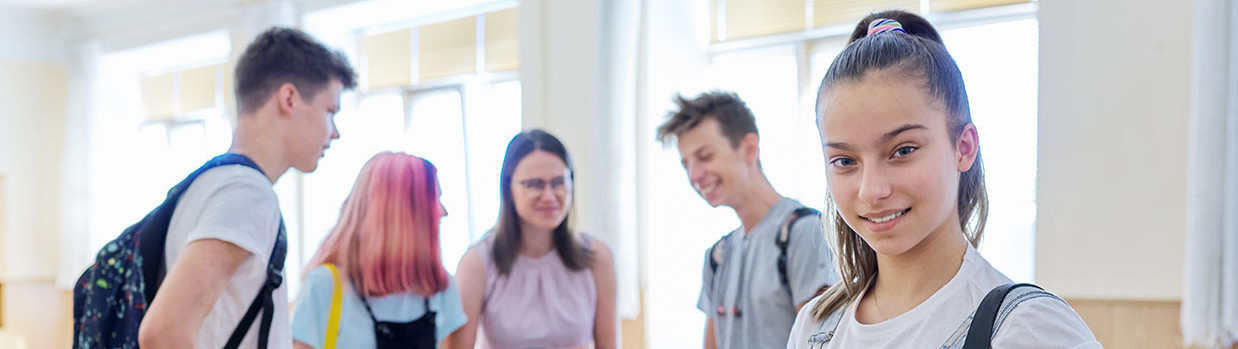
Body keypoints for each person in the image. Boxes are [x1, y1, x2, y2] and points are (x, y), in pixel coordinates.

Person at [787, 10, 1100, 348]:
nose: (872, 190)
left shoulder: (1027, 328)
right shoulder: (816, 326)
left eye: (902, 151)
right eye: (845, 160)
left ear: (963, 148)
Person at [137, 27, 356, 348]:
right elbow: (162, 333)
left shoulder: (211, 181)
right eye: (330, 111)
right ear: (289, 99)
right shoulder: (246, 193)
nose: (334, 132)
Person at [656, 92, 839, 349]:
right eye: (686, 164)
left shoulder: (805, 233)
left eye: (705, 156)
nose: (694, 175)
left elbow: (818, 342)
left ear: (749, 148)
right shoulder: (718, 256)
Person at [444, 129, 618, 349]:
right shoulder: (477, 263)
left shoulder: (597, 257)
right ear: (508, 188)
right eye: (534, 184)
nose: (549, 196)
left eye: (559, 182)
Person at [290, 152, 466, 349]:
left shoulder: (439, 286)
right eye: (434, 200)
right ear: (402, 214)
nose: (442, 212)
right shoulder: (324, 285)